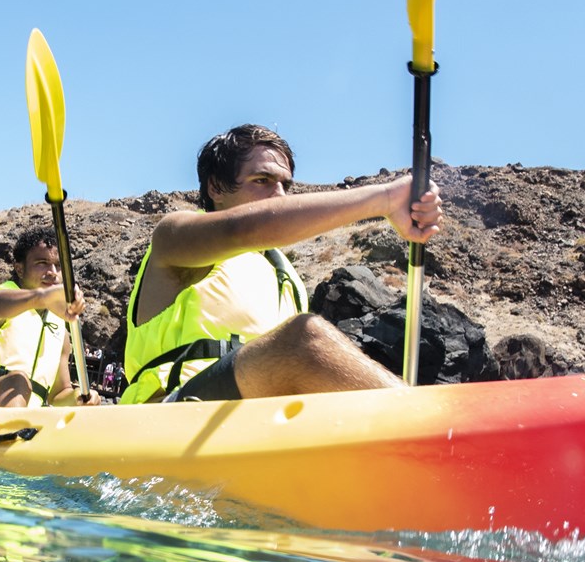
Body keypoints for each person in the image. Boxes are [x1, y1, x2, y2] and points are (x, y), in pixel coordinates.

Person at [120, 124, 441, 404]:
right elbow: (245, 229)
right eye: (262, 180)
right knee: (306, 339)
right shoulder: (174, 238)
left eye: (286, 186)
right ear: (216, 187)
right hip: (169, 414)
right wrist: (385, 200)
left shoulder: (285, 276)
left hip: (265, 423)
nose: (280, 196)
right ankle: (437, 435)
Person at [0, 227, 96, 408]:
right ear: (19, 269)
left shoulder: (61, 330)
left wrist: (78, 398)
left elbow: (58, 394)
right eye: (42, 262)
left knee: (86, 401)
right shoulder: (0, 299)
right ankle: (12, 429)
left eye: (58, 265)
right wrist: (41, 297)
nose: (52, 272)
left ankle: (17, 428)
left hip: (28, 415)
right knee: (18, 382)